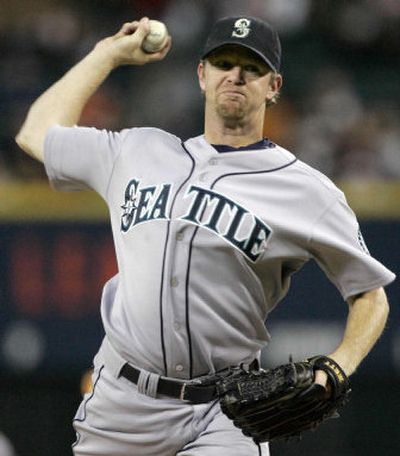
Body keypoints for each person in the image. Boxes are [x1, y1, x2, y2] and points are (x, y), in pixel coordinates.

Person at [15, 15, 395, 456]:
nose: (235, 75)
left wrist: (339, 366)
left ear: (274, 86)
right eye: (223, 62)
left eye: (251, 68)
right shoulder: (137, 150)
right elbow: (34, 134)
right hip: (123, 402)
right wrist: (107, 55)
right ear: (202, 75)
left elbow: (371, 294)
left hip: (226, 409)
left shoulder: (307, 190)